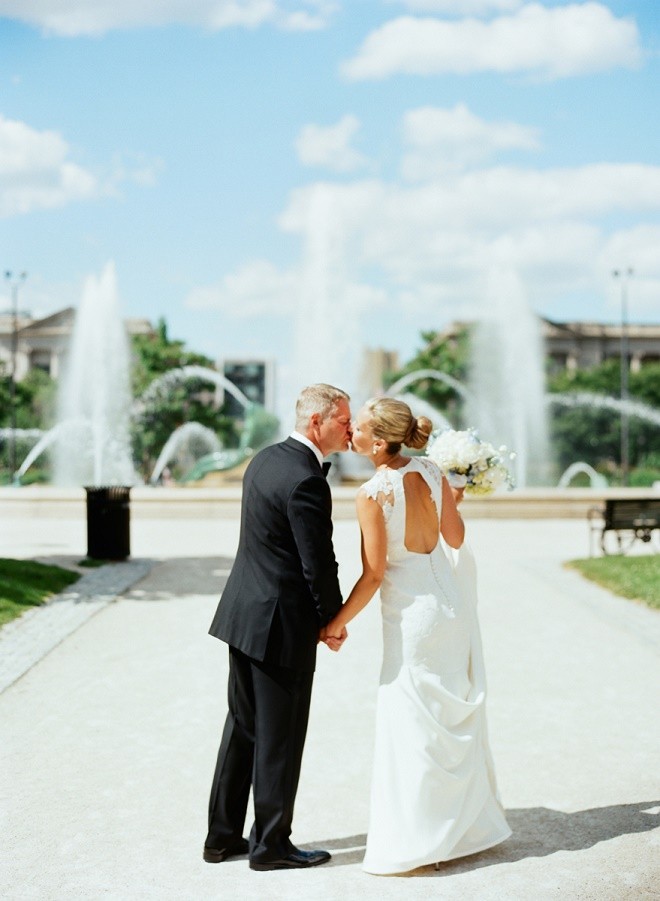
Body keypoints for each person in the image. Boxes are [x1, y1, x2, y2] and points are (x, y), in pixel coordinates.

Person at [324, 397, 511, 875]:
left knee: (412, 723)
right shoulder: (431, 472)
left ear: (380, 441)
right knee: (446, 713)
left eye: (360, 428)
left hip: (412, 619)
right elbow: (453, 538)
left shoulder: (371, 493)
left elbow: (372, 575)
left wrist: (335, 622)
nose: (353, 434)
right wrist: (449, 501)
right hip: (449, 609)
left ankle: (420, 838)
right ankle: (460, 829)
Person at [204, 384, 352, 871]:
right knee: (280, 738)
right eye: (343, 421)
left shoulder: (266, 459)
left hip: (243, 615)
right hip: (279, 626)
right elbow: (319, 565)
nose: (350, 429)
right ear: (317, 423)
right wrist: (332, 621)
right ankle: (270, 846)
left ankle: (221, 838)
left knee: (242, 729)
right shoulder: (307, 480)